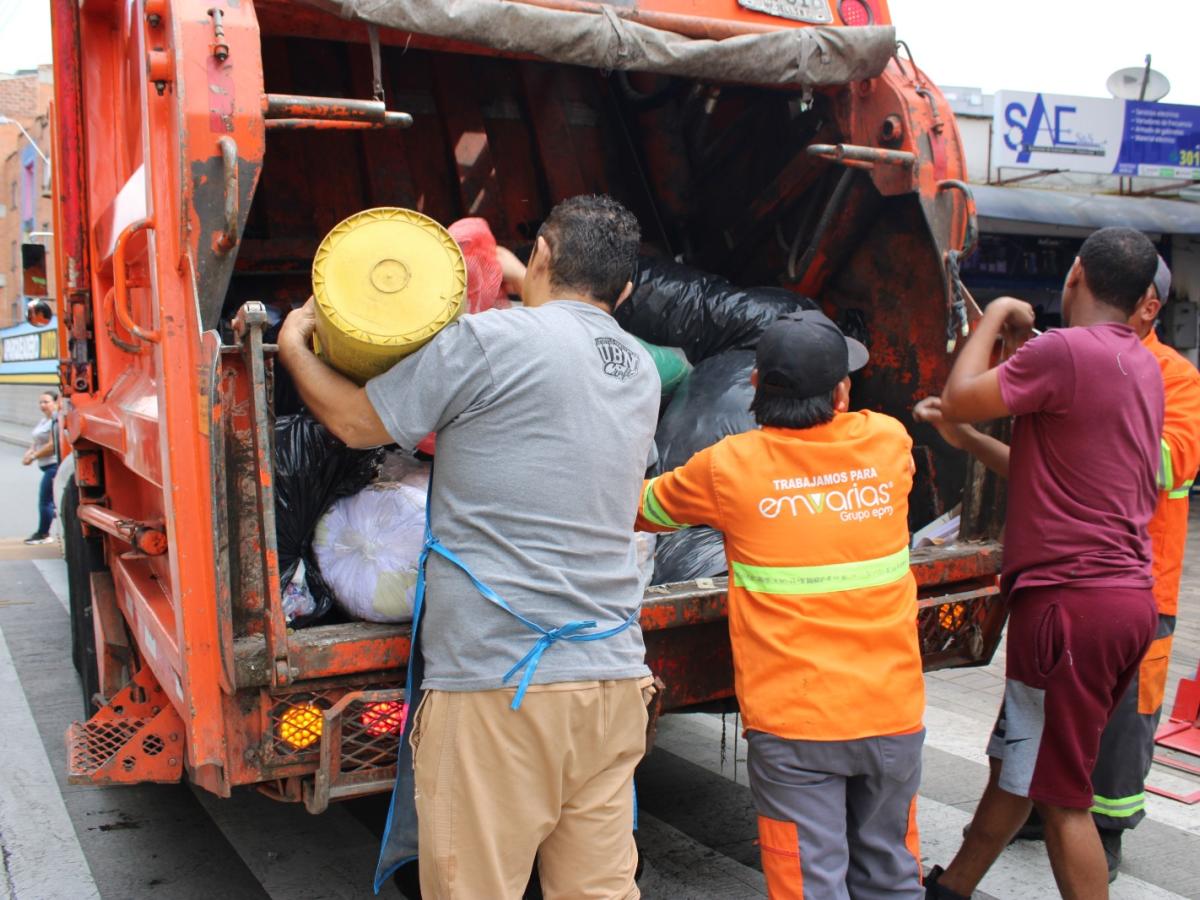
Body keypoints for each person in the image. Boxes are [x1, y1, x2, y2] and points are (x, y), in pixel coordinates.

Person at [277, 195, 660, 899]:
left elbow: (360, 424)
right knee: (600, 890)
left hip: (502, 685)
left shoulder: (490, 341)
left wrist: (293, 347)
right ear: (627, 290)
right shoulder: (637, 368)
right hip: (612, 677)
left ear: (540, 257)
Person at [923, 256, 1200, 882]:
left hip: (1069, 606)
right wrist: (967, 442)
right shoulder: (1144, 368)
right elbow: (1048, 472)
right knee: (1019, 764)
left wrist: (995, 313)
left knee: (1063, 799)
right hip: (1123, 599)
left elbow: (963, 395)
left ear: (1074, 274)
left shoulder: (1071, 352)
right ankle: (951, 887)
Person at [637, 310, 926, 899]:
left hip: (797, 727)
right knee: (891, 876)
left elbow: (645, 510)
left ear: (753, 386)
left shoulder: (730, 467)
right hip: (892, 714)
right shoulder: (889, 441)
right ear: (843, 392)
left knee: (810, 886)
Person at [22, 389, 60, 545]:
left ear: (56, 403)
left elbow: (52, 446)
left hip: (54, 465)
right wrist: (29, 452)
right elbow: (37, 441)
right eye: (40, 402)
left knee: (45, 501)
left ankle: (43, 534)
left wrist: (33, 456)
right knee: (50, 501)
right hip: (46, 466)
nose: (42, 405)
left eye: (46, 402)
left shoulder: (55, 421)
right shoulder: (44, 420)